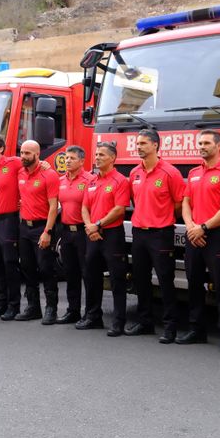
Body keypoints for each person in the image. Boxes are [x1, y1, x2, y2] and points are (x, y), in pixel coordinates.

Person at [126, 129, 186, 343]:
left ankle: (170, 327)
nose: (138, 147)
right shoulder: (135, 173)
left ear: (155, 145)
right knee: (141, 280)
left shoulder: (170, 173)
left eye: (143, 143)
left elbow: (179, 204)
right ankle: (145, 322)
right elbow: (135, 200)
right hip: (139, 234)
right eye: (137, 143)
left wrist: (162, 218)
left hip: (161, 234)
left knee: (165, 281)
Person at [179, 130, 220, 346]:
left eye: (206, 143)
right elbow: (186, 202)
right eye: (200, 143)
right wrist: (191, 227)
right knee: (193, 284)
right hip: (193, 234)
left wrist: (203, 227)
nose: (202, 146)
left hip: (215, 235)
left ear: (219, 146)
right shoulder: (194, 173)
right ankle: (197, 329)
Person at [81, 142, 131, 335]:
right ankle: (93, 316)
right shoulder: (92, 181)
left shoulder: (120, 181)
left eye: (102, 154)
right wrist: (89, 226)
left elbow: (119, 209)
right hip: (92, 234)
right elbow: (85, 207)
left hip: (112, 235)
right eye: (96, 154)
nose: (97, 157)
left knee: (117, 279)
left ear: (112, 158)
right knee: (91, 277)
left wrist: (98, 224)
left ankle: (118, 322)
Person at [16, 140, 60, 324]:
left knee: (46, 268)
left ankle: (51, 309)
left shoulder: (49, 174)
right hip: (24, 227)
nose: (23, 156)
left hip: (42, 227)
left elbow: (53, 207)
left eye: (28, 153)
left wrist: (47, 232)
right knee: (27, 268)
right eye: (22, 152)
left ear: (37, 154)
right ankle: (33, 308)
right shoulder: (19, 172)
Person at [0, 134, 24, 320]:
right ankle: (2, 302)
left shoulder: (14, 163)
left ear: (1, 148)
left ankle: (14, 305)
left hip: (8, 221)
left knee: (10, 264)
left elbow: (36, 166)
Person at [56, 145, 94, 324]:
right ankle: (73, 310)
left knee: (87, 273)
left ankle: (91, 312)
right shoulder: (61, 180)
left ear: (81, 161)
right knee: (70, 273)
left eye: (71, 158)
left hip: (83, 232)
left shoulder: (90, 180)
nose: (68, 161)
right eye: (66, 158)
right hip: (66, 231)